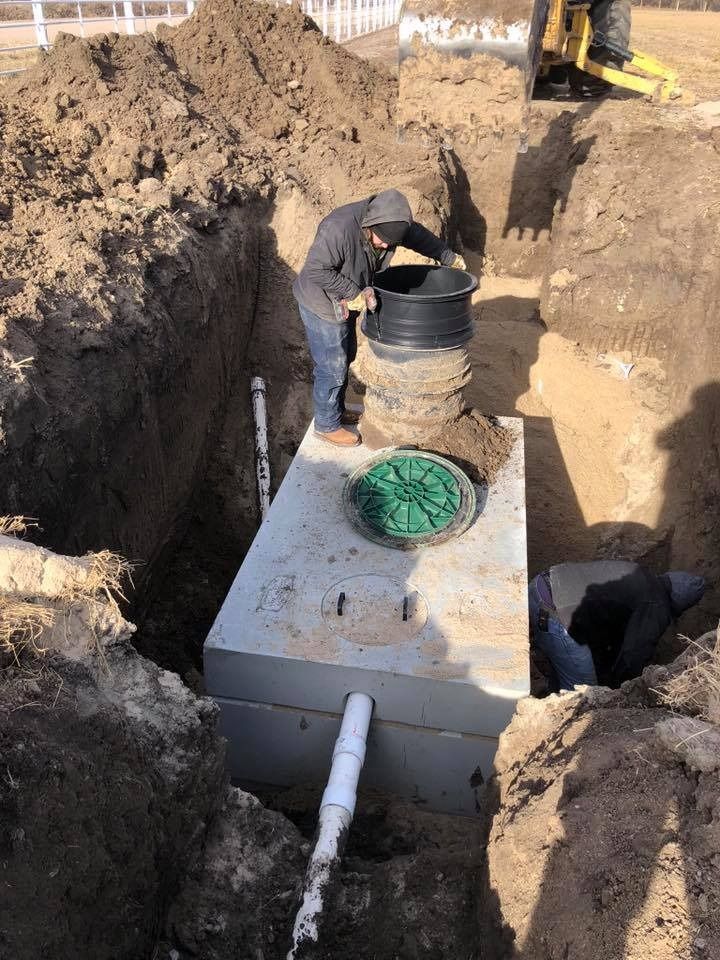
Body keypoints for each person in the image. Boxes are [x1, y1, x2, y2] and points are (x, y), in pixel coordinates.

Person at [292, 189, 466, 447]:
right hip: (321, 301)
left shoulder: (390, 222)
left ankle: (336, 412)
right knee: (333, 364)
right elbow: (316, 270)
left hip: (345, 298)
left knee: (347, 354)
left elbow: (419, 238)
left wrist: (448, 257)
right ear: (369, 225)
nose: (385, 246)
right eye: (381, 240)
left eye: (390, 243)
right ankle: (327, 424)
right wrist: (354, 292)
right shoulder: (338, 229)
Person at [528, 561, 706, 691]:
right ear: (679, 604)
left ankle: (547, 701)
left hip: (539, 587)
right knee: (584, 695)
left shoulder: (641, 574)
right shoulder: (657, 604)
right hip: (554, 612)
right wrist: (625, 689)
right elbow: (634, 654)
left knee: (564, 674)